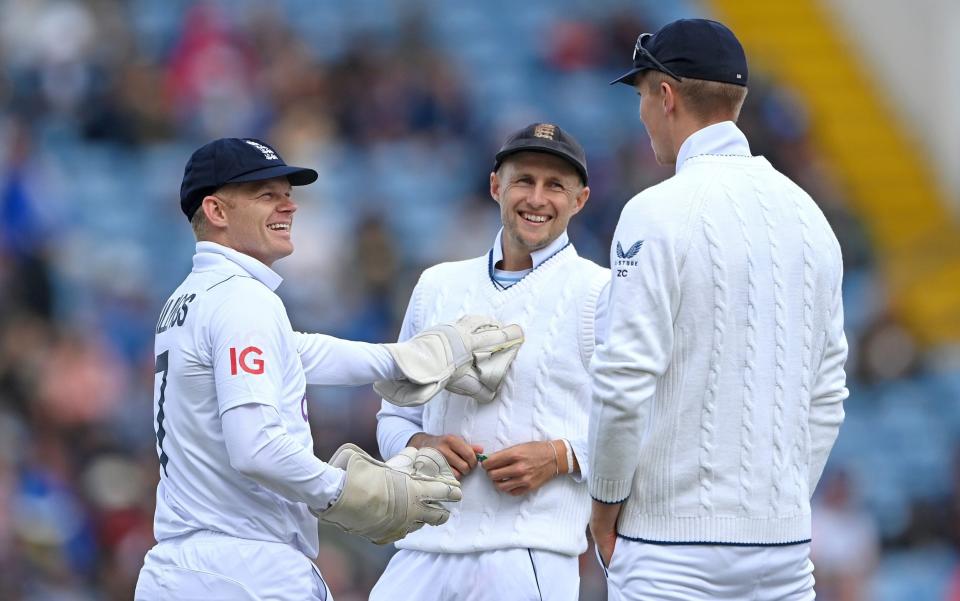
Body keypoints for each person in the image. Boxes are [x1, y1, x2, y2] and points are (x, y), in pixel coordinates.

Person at [134, 137, 524, 601]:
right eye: (266, 195)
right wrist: (348, 492)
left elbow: (301, 352)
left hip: (178, 570)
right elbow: (255, 447)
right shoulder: (242, 299)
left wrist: (405, 359)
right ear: (217, 211)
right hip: (246, 568)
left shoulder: (190, 298)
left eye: (288, 193)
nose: (290, 206)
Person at [587, 18, 848, 601]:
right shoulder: (812, 217)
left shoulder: (653, 213)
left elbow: (623, 379)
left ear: (666, 95)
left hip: (668, 549)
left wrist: (604, 505)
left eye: (641, 96)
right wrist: (773, 509)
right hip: (782, 551)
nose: (642, 115)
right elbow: (827, 395)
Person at [370, 123, 610, 601]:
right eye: (524, 180)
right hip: (424, 543)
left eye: (555, 185)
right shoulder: (437, 285)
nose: (537, 198)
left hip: (530, 551)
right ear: (496, 185)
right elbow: (393, 416)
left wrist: (558, 457)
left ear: (579, 200)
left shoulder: (601, 292)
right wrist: (423, 443)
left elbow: (641, 424)